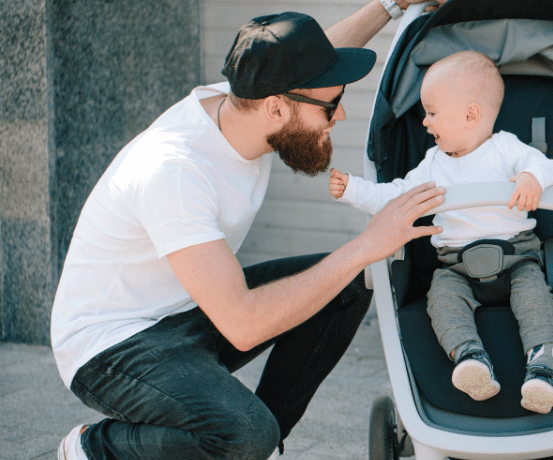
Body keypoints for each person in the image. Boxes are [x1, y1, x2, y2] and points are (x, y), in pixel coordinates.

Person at [51, 2, 446, 459]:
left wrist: (390, 5)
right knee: (244, 433)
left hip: (189, 309)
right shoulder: (174, 172)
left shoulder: (248, 100)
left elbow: (315, 55)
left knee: (350, 285)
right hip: (110, 348)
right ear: (276, 108)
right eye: (332, 106)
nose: (339, 118)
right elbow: (242, 325)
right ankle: (92, 448)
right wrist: (366, 244)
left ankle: (260, 444)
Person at [329, 51, 553, 414]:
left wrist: (533, 178)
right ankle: (470, 358)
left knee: (535, 299)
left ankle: (541, 366)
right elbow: (395, 196)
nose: (424, 122)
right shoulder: (432, 166)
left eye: (432, 112)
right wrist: (353, 190)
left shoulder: (508, 149)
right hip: (456, 266)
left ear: (471, 115)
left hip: (517, 258)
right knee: (440, 299)